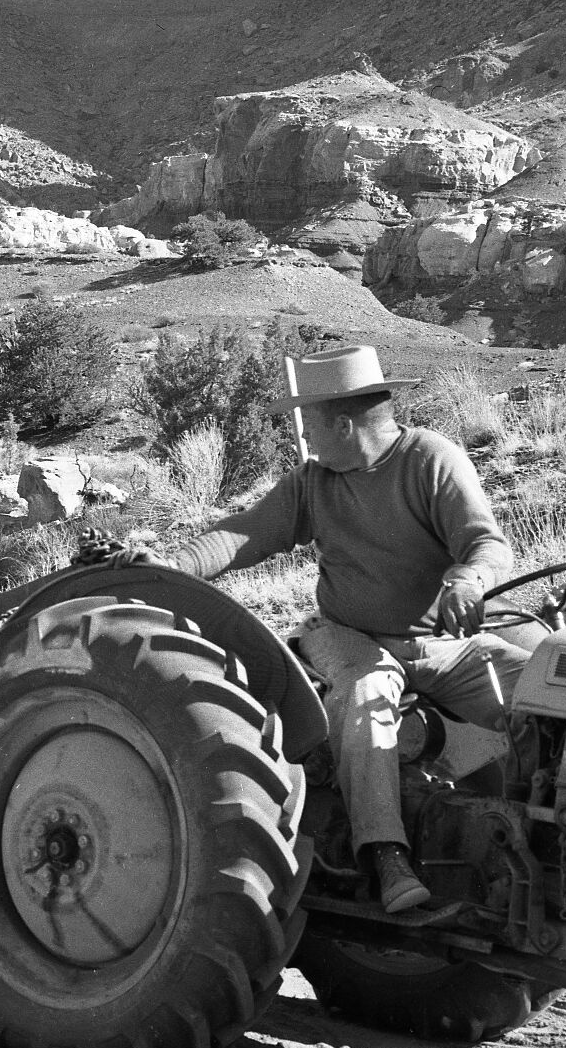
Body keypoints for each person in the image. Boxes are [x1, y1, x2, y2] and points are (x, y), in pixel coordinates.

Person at [140, 345, 524, 915]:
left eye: (309, 423)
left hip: (440, 645)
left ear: (342, 424)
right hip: (345, 635)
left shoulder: (431, 461)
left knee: (544, 685)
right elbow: (243, 536)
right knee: (368, 693)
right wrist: (169, 568)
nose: (305, 438)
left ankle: (537, 834)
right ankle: (385, 854)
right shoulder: (312, 483)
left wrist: (468, 580)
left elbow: (486, 542)